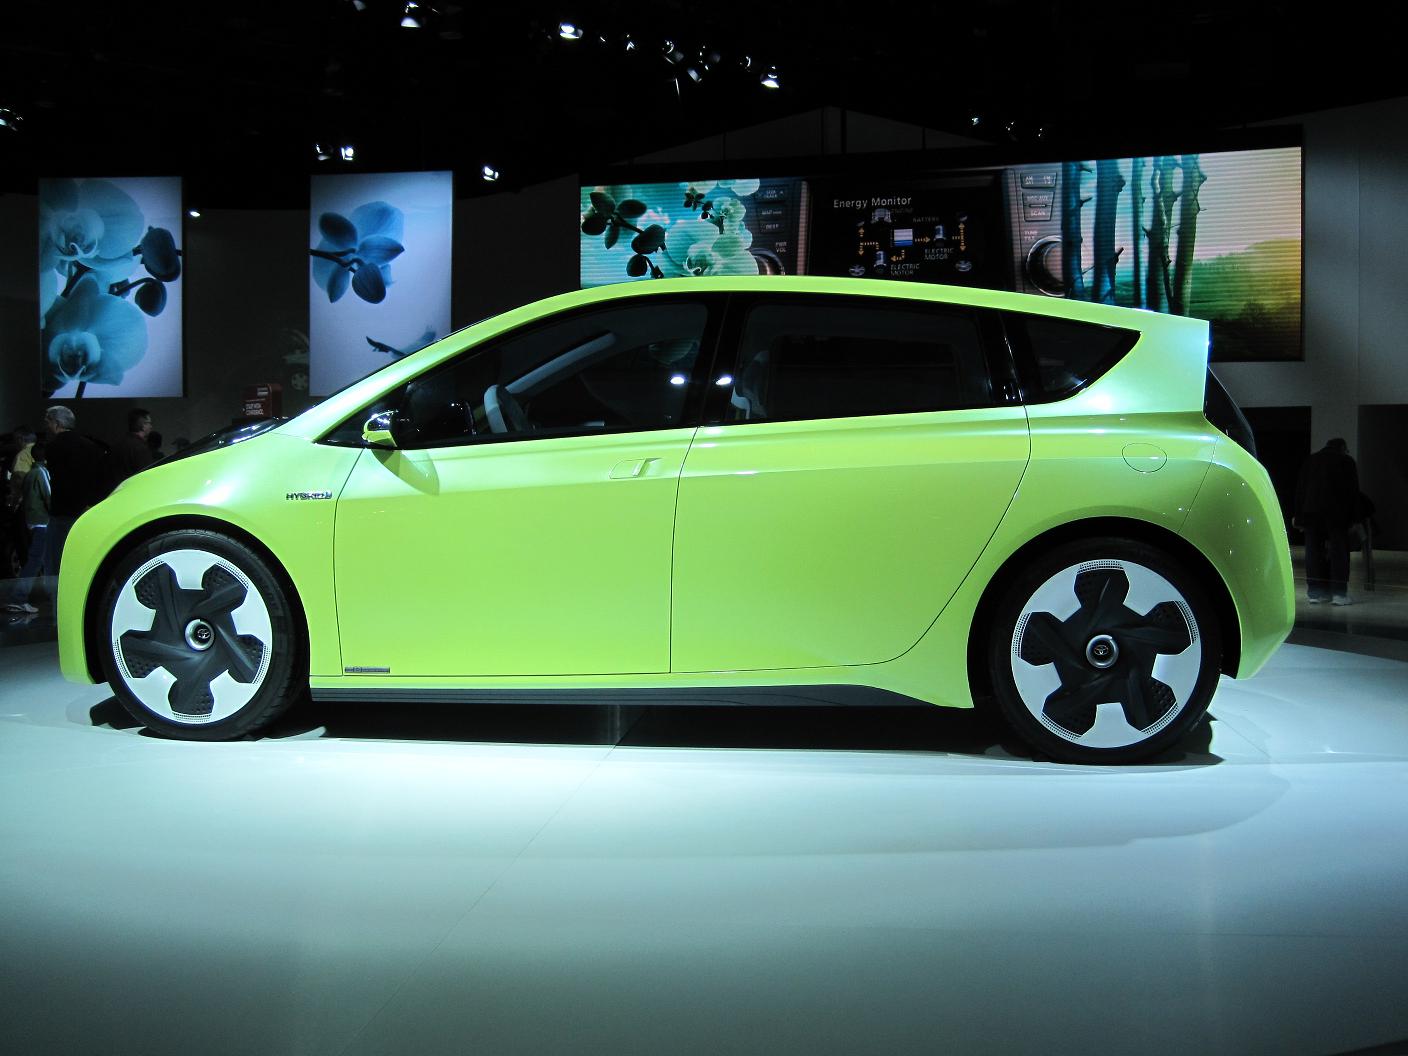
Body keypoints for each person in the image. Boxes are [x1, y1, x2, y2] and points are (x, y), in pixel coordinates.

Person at [42, 405, 107, 575]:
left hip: (62, 511)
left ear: (56, 423)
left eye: (47, 422)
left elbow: (60, 481)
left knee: (56, 561)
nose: (46, 426)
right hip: (87, 511)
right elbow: (99, 479)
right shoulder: (92, 446)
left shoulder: (53, 447)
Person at [1295, 437, 1360, 606]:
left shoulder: (1311, 460)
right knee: (1339, 551)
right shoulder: (1346, 462)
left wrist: (1299, 516)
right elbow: (1353, 492)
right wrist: (1354, 518)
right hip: (1337, 513)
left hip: (1311, 512)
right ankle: (1339, 593)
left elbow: (1301, 489)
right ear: (1343, 448)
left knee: (1313, 551)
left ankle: (1316, 592)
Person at [4, 442, 51, 614]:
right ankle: (18, 597)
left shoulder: (31, 473)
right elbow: (48, 495)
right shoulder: (42, 472)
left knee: (39, 560)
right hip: (42, 522)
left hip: (33, 521)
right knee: (35, 561)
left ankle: (22, 597)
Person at [112, 407, 155, 484]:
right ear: (143, 425)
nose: (151, 426)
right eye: (149, 423)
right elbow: (147, 476)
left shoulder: (119, 444)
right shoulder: (141, 448)